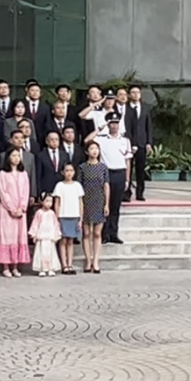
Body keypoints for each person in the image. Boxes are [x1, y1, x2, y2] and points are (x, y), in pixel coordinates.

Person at [0, 148, 32, 278]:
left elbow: (26, 191)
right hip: (6, 210)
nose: (16, 158)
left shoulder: (24, 174)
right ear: (8, 158)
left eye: (18, 156)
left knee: (18, 237)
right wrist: (11, 208)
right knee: (7, 237)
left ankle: (15, 266)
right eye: (13, 155)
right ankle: (5, 266)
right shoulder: (3, 174)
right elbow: (3, 192)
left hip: (21, 211)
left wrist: (22, 207)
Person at [96, 115, 132, 245]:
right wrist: (100, 128)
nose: (114, 126)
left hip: (120, 173)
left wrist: (127, 179)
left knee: (116, 205)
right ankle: (104, 233)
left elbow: (128, 161)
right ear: (108, 124)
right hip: (106, 172)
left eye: (116, 123)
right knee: (105, 204)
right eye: (112, 123)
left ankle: (113, 233)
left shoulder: (125, 140)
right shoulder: (101, 139)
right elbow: (87, 140)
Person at [78, 142, 109, 274]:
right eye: (91, 148)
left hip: (99, 200)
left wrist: (107, 204)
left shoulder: (103, 167)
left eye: (96, 148)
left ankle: (96, 261)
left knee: (97, 233)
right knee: (86, 233)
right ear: (87, 151)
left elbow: (106, 185)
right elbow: (79, 186)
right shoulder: (82, 167)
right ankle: (88, 261)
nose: (94, 151)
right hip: (86, 201)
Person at [52, 163, 83, 274]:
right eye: (67, 170)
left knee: (70, 241)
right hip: (63, 216)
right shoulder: (59, 185)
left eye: (71, 170)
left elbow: (80, 203)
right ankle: (64, 265)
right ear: (62, 172)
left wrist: (81, 219)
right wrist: (56, 218)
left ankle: (70, 264)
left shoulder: (77, 185)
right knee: (63, 241)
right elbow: (57, 203)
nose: (69, 173)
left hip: (74, 216)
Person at [124, 85, 153, 202]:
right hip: (128, 143)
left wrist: (149, 142)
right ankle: (126, 193)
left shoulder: (145, 108)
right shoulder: (125, 108)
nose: (135, 95)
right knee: (128, 169)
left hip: (142, 142)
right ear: (129, 95)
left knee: (140, 170)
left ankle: (140, 193)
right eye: (133, 92)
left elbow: (148, 126)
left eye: (137, 92)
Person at [30, 195, 63, 276]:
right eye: (47, 201)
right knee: (41, 253)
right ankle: (42, 269)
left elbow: (55, 224)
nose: (49, 203)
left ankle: (50, 268)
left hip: (49, 236)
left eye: (50, 201)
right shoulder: (39, 213)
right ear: (42, 202)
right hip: (41, 236)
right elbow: (35, 223)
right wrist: (34, 234)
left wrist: (56, 234)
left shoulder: (52, 213)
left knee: (51, 253)